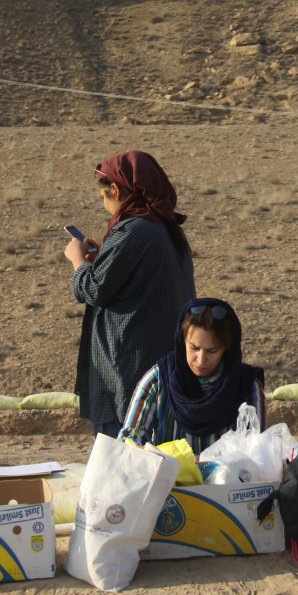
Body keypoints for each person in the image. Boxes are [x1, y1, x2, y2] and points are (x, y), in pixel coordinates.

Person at [65, 151, 196, 437]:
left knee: (125, 461)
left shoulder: (132, 231)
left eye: (103, 197)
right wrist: (105, 257)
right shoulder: (165, 227)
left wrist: (77, 262)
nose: (104, 205)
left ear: (115, 190)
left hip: (128, 370)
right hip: (162, 368)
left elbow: (93, 288)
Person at [120, 298, 265, 455]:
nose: (201, 360)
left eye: (212, 351)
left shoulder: (247, 387)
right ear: (182, 341)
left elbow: (255, 452)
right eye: (194, 348)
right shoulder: (157, 381)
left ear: (227, 348)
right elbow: (129, 440)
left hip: (227, 478)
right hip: (167, 477)